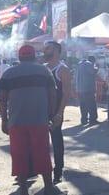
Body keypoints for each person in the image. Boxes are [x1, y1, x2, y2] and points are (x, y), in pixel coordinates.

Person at [0, 45, 62, 195]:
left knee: (19, 155)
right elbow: (52, 94)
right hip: (39, 121)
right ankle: (48, 186)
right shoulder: (44, 71)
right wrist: (51, 115)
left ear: (19, 57)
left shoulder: (8, 73)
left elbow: (2, 100)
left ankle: (23, 189)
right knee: (42, 153)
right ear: (34, 56)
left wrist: (4, 120)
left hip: (16, 122)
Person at [43, 41, 72, 184]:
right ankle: (39, 170)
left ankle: (58, 171)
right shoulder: (42, 68)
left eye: (48, 48)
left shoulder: (62, 69)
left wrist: (59, 113)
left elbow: (66, 93)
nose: (45, 50)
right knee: (40, 142)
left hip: (55, 111)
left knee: (56, 142)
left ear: (56, 51)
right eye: (45, 48)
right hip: (41, 112)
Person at [75, 56, 99, 126]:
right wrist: (97, 67)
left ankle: (84, 120)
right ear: (93, 61)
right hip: (88, 88)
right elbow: (93, 72)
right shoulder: (88, 64)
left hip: (80, 88)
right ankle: (93, 120)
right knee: (91, 104)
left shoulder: (80, 64)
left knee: (83, 105)